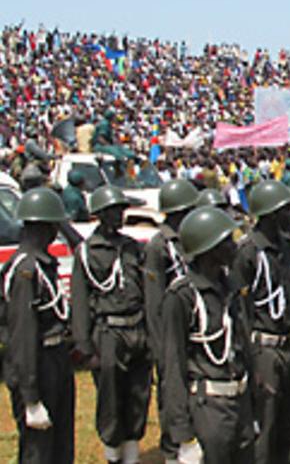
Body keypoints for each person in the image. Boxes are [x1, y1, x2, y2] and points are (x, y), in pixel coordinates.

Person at [231, 181, 290, 464]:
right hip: (264, 344)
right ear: (270, 213)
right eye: (285, 209)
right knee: (267, 411)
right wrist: (248, 356)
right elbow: (240, 309)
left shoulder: (288, 247)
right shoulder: (247, 251)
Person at [162, 206, 255, 464]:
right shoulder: (182, 297)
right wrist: (183, 435)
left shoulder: (231, 287)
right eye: (226, 241)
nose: (233, 245)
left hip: (240, 401)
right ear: (209, 249)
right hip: (208, 407)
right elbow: (172, 366)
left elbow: (243, 347)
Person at [71, 185, 151, 464]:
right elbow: (80, 301)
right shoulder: (87, 252)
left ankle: (131, 453)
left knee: (138, 394)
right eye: (113, 211)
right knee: (111, 398)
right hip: (108, 332)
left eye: (121, 210)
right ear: (100, 215)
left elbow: (145, 291)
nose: (119, 216)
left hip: (137, 328)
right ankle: (112, 454)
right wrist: (84, 345)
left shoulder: (131, 248)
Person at [1, 188, 74, 463]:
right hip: (36, 366)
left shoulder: (44, 265)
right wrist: (30, 396)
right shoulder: (25, 272)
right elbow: (21, 336)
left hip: (55, 360)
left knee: (60, 446)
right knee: (38, 452)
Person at [143, 178, 200, 463]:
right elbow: (153, 303)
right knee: (172, 396)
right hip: (169, 330)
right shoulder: (159, 246)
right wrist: (161, 349)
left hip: (193, 327)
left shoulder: (191, 238)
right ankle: (171, 451)